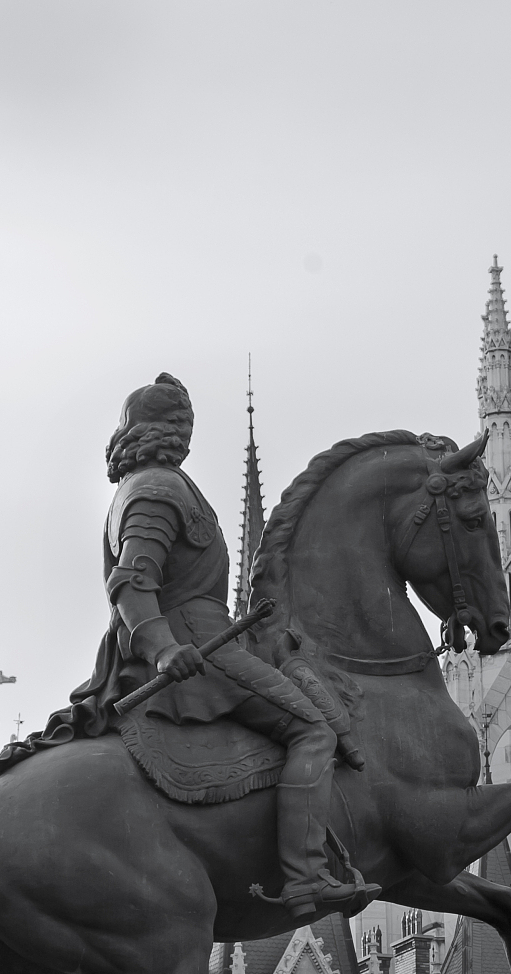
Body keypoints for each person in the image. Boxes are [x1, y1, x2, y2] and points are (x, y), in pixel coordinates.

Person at [65, 374, 372, 919]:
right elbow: (133, 582)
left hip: (209, 636)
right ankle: (305, 877)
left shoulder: (153, 484)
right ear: (166, 428)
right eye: (182, 422)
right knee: (313, 730)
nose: (188, 432)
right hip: (199, 647)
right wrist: (163, 648)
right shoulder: (156, 490)